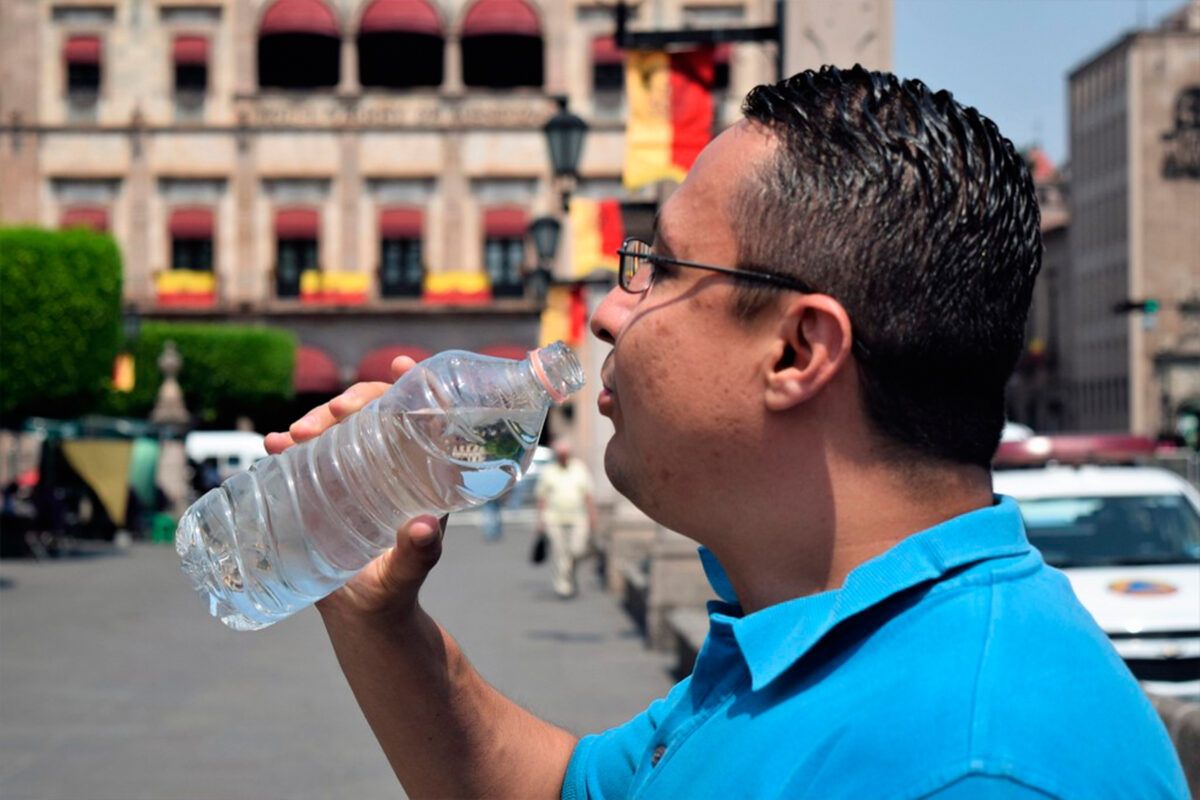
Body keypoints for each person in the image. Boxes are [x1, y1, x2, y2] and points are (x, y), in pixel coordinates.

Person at [265, 66, 1188, 800]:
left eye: (656, 268)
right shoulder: (813, 624)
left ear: (796, 350)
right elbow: (563, 791)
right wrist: (376, 618)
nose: (607, 315)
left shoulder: (976, 765)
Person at [536, 438, 598, 598]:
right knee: (560, 552)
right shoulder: (549, 471)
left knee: (577, 550)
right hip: (554, 518)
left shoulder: (579, 469)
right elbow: (542, 497)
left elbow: (587, 495)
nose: (563, 457)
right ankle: (563, 585)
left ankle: (569, 575)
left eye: (565, 454)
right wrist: (541, 519)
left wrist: (592, 516)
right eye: (560, 454)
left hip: (578, 517)